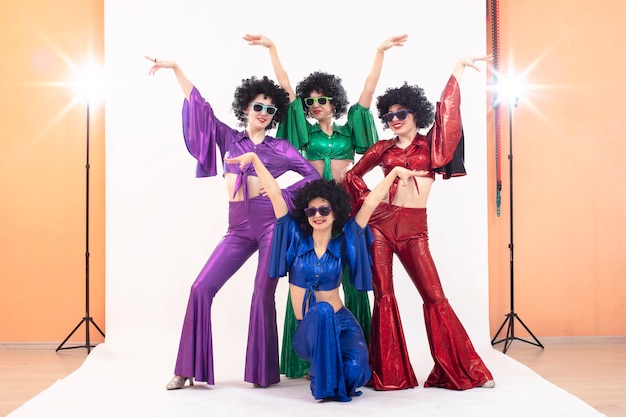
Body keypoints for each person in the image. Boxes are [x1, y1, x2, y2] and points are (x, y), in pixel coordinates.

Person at [145, 55, 321, 390]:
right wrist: (177, 69)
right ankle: (187, 369)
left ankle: (262, 373)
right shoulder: (229, 139)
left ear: (275, 117)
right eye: (259, 106)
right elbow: (200, 108)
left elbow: (313, 176)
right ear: (246, 107)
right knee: (201, 287)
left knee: (261, 292)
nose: (263, 113)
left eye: (270, 110)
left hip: (272, 226)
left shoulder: (281, 148)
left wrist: (282, 198)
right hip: (239, 229)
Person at [243, 33, 408, 378]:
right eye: (310, 102)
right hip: (313, 207)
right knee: (304, 274)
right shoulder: (305, 133)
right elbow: (287, 90)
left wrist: (379, 51)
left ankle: (356, 353)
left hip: (345, 206)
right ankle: (305, 358)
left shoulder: (350, 132)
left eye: (322, 100)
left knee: (349, 274)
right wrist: (273, 49)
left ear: (335, 103)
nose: (315, 105)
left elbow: (368, 90)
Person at [343, 54, 496, 391]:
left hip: (414, 230)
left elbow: (448, 117)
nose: (395, 119)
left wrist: (457, 69)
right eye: (389, 115)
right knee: (384, 296)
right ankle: (391, 374)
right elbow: (351, 176)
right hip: (381, 227)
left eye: (402, 113)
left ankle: (463, 370)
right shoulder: (382, 149)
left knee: (434, 295)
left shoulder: (431, 146)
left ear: (415, 114)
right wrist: (372, 202)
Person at [225, 151, 424, 402]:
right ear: (305, 214)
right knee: (322, 311)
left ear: (335, 211)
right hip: (309, 329)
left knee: (356, 372)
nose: (318, 215)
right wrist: (255, 160)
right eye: (312, 211)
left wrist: (394, 173)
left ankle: (334, 374)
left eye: (324, 210)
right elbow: (276, 195)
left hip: (342, 323)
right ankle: (324, 381)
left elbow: (371, 204)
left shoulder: (345, 239)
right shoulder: (296, 238)